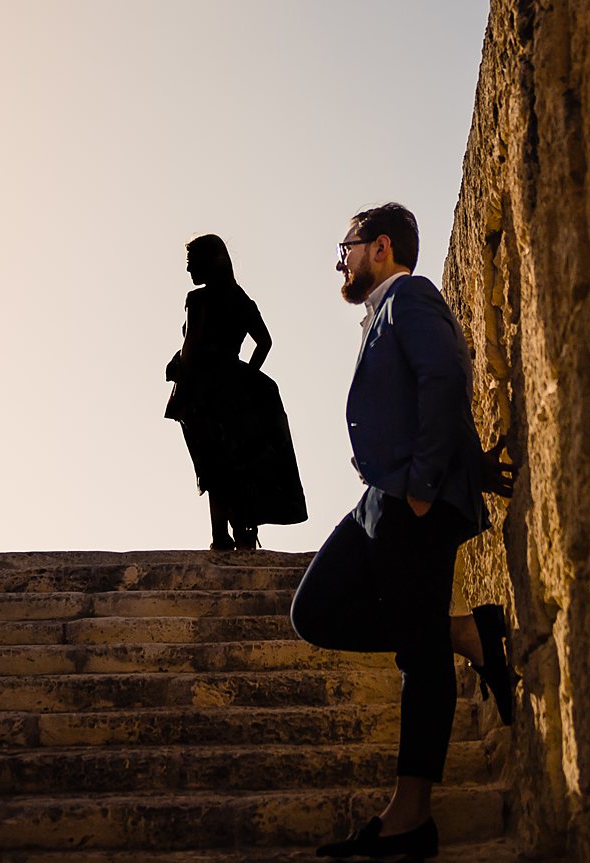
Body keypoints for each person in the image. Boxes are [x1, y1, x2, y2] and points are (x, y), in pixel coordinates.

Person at [292, 202, 518, 861]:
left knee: (419, 661)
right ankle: (465, 632)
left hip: (408, 499)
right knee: (315, 609)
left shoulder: (410, 295)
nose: (342, 258)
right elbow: (430, 391)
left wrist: (424, 487)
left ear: (381, 247)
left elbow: (446, 373)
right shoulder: (386, 311)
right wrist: (467, 464)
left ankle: (409, 818)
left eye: (348, 245)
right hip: (383, 500)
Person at [164, 233, 307, 550]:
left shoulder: (197, 300)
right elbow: (265, 342)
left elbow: (191, 348)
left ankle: (220, 537)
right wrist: (246, 376)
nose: (188, 271)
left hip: (204, 389)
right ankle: (242, 531)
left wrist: (178, 376)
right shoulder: (242, 300)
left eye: (191, 263)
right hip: (235, 389)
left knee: (213, 461)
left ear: (209, 262)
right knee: (240, 459)